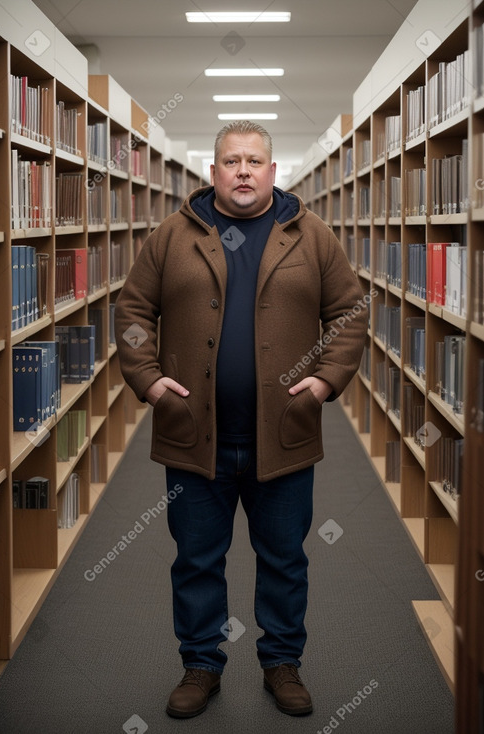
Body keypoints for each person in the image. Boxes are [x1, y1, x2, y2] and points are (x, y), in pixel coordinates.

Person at [115, 120, 368, 719]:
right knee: (196, 559)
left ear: (274, 172)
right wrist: (149, 382)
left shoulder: (312, 235)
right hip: (192, 435)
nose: (245, 171)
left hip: (284, 435)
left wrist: (325, 379)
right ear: (214, 172)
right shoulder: (172, 235)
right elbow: (130, 311)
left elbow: (351, 313)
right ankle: (201, 665)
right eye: (232, 161)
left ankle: (282, 663)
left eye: (256, 161)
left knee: (285, 558)